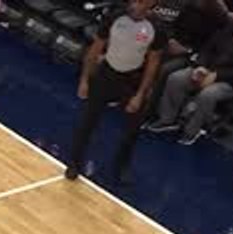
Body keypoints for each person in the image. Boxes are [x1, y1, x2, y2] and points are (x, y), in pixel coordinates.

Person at [67, 0, 167, 184]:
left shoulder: (157, 28)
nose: (136, 5)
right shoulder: (114, 16)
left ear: (150, 5)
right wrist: (84, 79)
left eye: (142, 3)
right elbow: (95, 49)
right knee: (87, 121)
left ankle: (121, 167)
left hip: (132, 79)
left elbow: (153, 64)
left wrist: (140, 94)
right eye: (135, 1)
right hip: (107, 73)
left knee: (132, 130)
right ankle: (74, 163)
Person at [147, 4, 233, 144]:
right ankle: (167, 120)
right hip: (208, 69)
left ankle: (191, 131)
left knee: (208, 94)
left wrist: (217, 75)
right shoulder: (230, 27)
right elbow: (208, 48)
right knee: (176, 78)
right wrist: (201, 66)